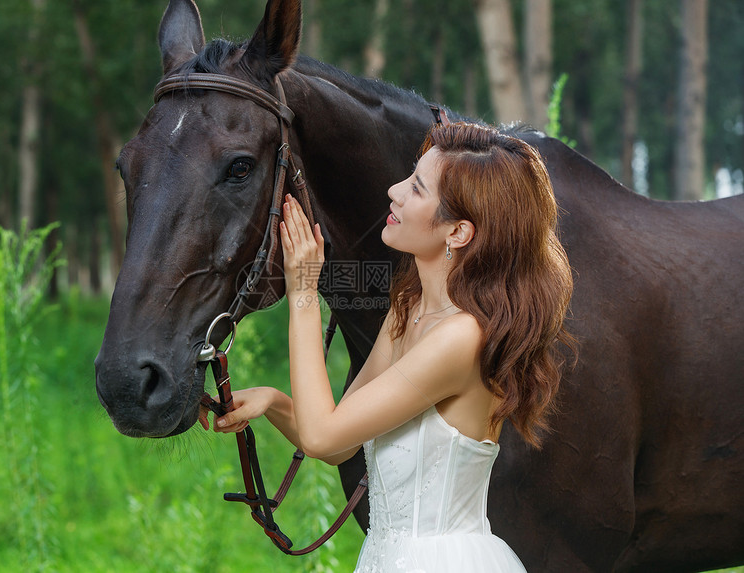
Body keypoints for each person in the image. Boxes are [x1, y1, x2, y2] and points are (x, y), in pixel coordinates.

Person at [200, 121, 574, 572]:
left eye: (416, 188)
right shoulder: (409, 309)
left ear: (457, 232)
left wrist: (303, 291)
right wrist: (273, 402)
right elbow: (338, 444)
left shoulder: (462, 338)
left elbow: (322, 435)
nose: (394, 191)